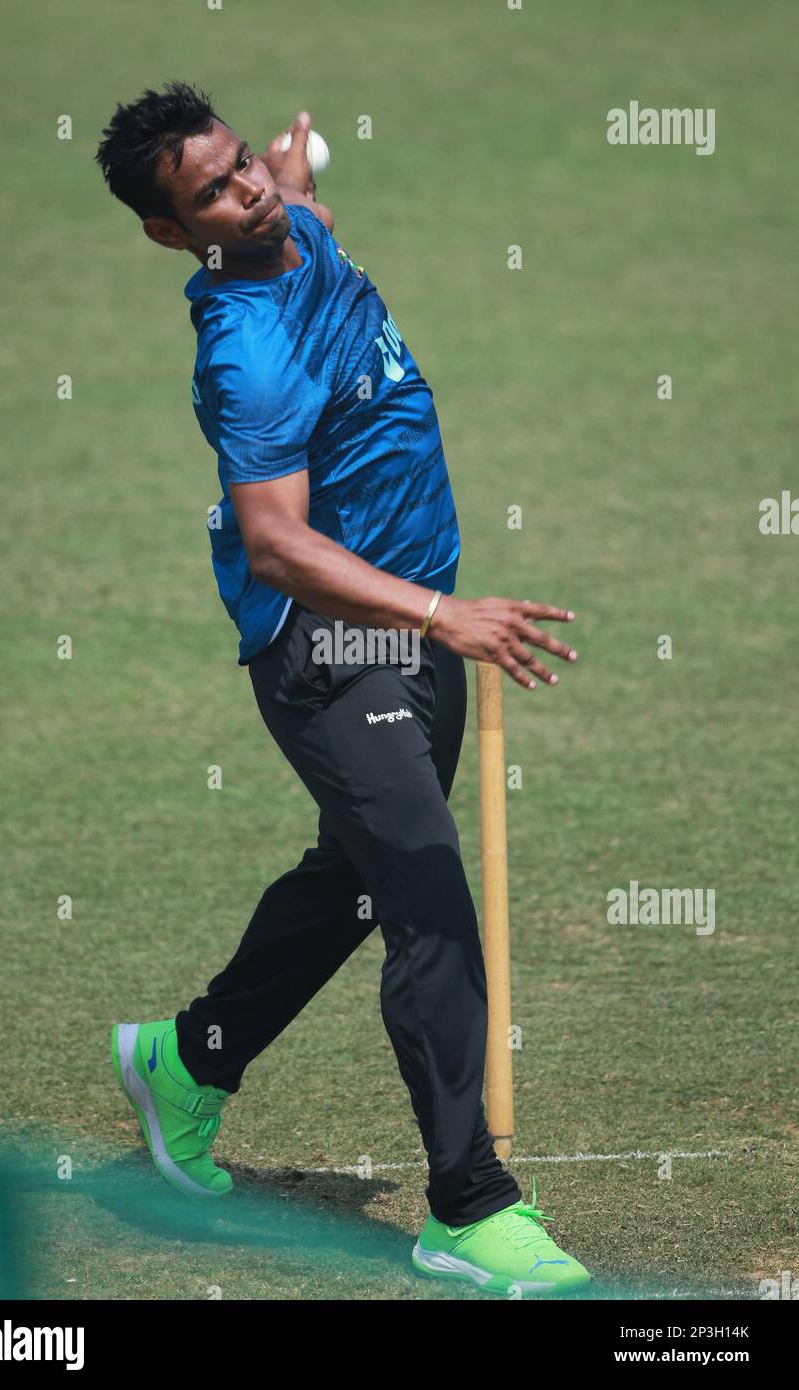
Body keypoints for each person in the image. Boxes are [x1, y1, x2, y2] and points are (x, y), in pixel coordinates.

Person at [96, 81, 589, 1297]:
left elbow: (292, 191)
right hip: (334, 648)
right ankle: (468, 1208)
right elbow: (275, 543)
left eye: (237, 165)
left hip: (411, 619)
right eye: (210, 191)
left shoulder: (287, 218)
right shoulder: (246, 355)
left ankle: (188, 1059)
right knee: (425, 894)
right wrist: (439, 613)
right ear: (171, 233)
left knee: (352, 885)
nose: (245, 190)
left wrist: (288, 164)